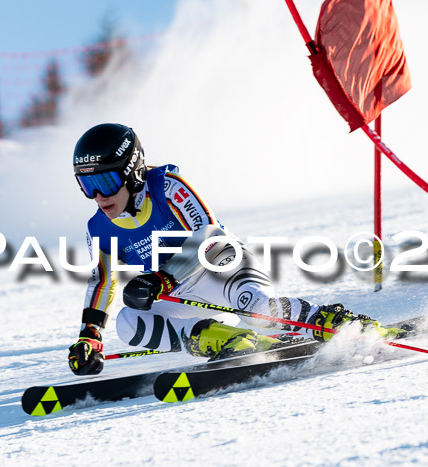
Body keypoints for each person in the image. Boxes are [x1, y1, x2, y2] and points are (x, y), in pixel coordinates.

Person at [68, 123, 402, 375]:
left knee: (259, 312)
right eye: (87, 186)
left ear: (132, 172)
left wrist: (163, 279)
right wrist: (90, 336)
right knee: (129, 323)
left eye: (105, 183)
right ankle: (226, 340)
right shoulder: (98, 228)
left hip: (220, 267)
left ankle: (339, 324)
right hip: (179, 296)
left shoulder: (167, 186)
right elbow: (102, 281)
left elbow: (210, 234)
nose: (99, 197)